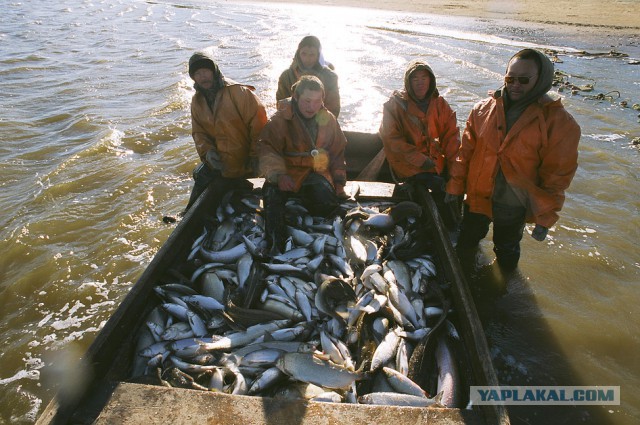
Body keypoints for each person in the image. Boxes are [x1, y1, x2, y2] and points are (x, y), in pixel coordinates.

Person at [445, 48, 581, 271]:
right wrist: (454, 187)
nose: (516, 85)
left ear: (541, 79)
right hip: (477, 196)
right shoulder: (481, 110)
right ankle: (463, 276)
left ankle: (504, 288)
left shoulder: (560, 123)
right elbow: (465, 154)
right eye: (510, 78)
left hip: (512, 205)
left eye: (524, 79)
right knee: (467, 240)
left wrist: (545, 216)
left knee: (506, 251)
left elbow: (557, 175)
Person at [258, 75, 347, 252]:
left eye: (316, 101)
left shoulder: (328, 119)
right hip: (287, 174)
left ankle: (328, 243)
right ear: (296, 97)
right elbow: (267, 150)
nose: (311, 106)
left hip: (316, 174)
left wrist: (339, 183)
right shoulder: (279, 120)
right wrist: (279, 175)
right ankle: (276, 247)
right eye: (307, 101)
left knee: (330, 210)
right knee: (272, 199)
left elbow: (338, 153)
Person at [379, 59, 461, 227]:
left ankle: (452, 222)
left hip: (433, 162)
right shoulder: (394, 105)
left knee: (456, 188)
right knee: (429, 192)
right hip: (408, 164)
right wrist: (421, 160)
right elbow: (392, 140)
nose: (420, 83)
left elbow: (452, 138)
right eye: (415, 79)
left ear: (431, 80)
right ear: (408, 82)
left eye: (424, 78)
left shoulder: (440, 104)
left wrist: (454, 174)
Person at [184, 50, 267, 213]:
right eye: (198, 73)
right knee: (199, 174)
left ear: (214, 71)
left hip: (249, 164)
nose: (203, 76)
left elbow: (260, 126)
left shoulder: (238, 92)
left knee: (264, 191)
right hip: (222, 166)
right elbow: (199, 133)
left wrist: (255, 157)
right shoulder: (197, 101)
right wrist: (208, 153)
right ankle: (186, 213)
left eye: (206, 71)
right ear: (193, 78)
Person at [276, 35, 341, 118]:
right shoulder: (286, 76)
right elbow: (281, 105)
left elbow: (334, 108)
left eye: (312, 55)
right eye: (304, 54)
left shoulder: (330, 77)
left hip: (321, 123)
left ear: (318, 56)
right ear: (298, 54)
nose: (307, 59)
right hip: (293, 121)